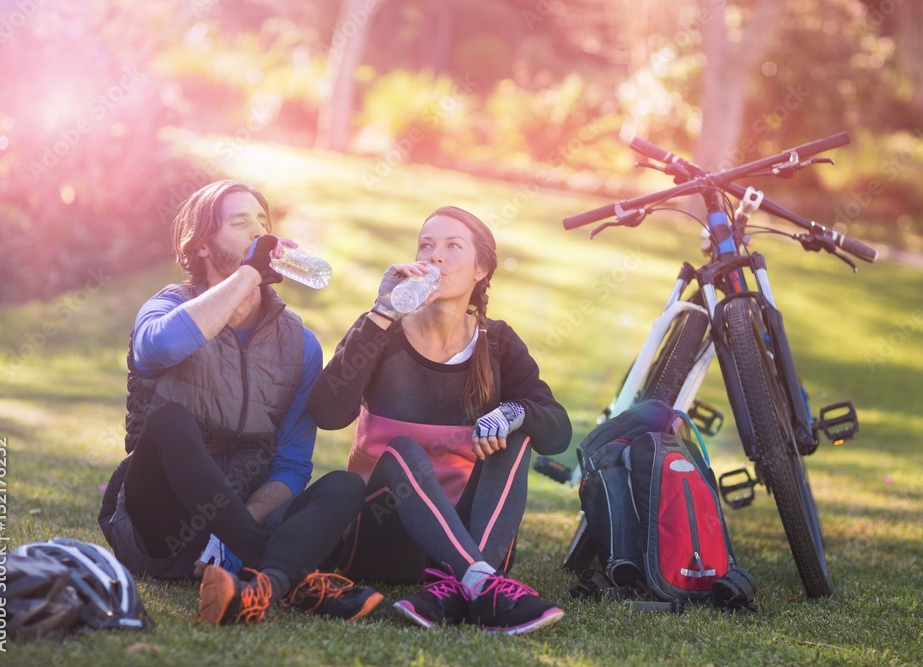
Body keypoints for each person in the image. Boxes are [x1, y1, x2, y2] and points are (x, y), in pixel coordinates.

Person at [97, 179, 380, 626]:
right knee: (169, 421)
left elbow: (291, 464)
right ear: (204, 246)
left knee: (344, 487)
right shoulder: (168, 307)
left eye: (262, 223)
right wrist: (249, 273)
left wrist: (232, 532)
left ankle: (258, 584)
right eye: (240, 222)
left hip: (244, 516)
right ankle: (291, 576)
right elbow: (156, 350)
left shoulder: (300, 344)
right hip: (163, 526)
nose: (257, 232)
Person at [308, 206, 572, 635]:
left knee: (520, 435)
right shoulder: (382, 330)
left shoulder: (499, 343)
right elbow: (328, 413)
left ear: (481, 269)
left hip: (469, 537)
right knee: (404, 453)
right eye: (426, 245)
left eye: (453, 246)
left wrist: (511, 411)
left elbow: (558, 433)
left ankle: (460, 583)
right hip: (380, 533)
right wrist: (381, 311)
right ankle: (482, 582)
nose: (436, 256)